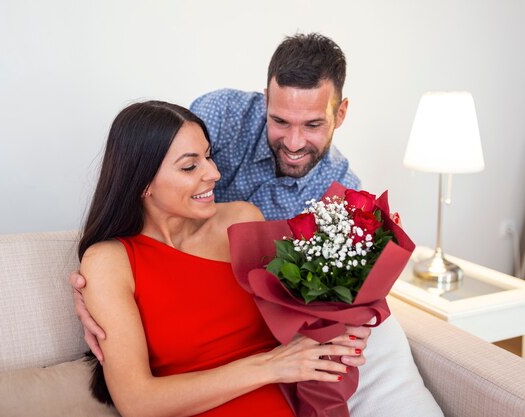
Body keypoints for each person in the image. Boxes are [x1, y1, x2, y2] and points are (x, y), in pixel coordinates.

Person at [72, 33, 443, 417]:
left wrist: (343, 325)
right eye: (280, 121)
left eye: (313, 124)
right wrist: (96, 294)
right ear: (265, 100)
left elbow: (313, 314)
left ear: (341, 114)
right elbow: (161, 142)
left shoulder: (324, 199)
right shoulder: (219, 118)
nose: (294, 141)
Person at [79, 100, 369, 416]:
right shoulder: (109, 262)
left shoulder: (241, 221)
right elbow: (138, 403)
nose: (214, 173)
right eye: (190, 166)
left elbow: (296, 315)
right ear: (143, 183)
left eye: (209, 156)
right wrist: (271, 367)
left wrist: (338, 329)